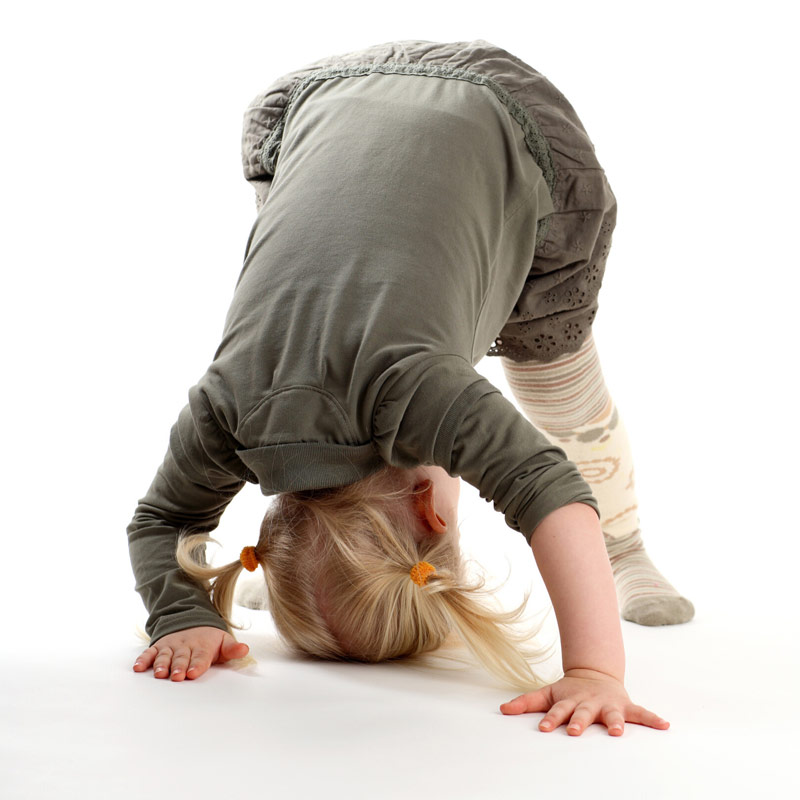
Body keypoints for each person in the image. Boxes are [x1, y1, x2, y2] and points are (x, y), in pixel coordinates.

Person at [128, 38, 692, 736]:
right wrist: (185, 611)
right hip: (319, 102)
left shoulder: (413, 393)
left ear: (432, 511)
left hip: (514, 123)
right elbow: (160, 522)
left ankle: (626, 548)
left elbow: (554, 496)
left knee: (553, 387)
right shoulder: (227, 409)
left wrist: (595, 671)